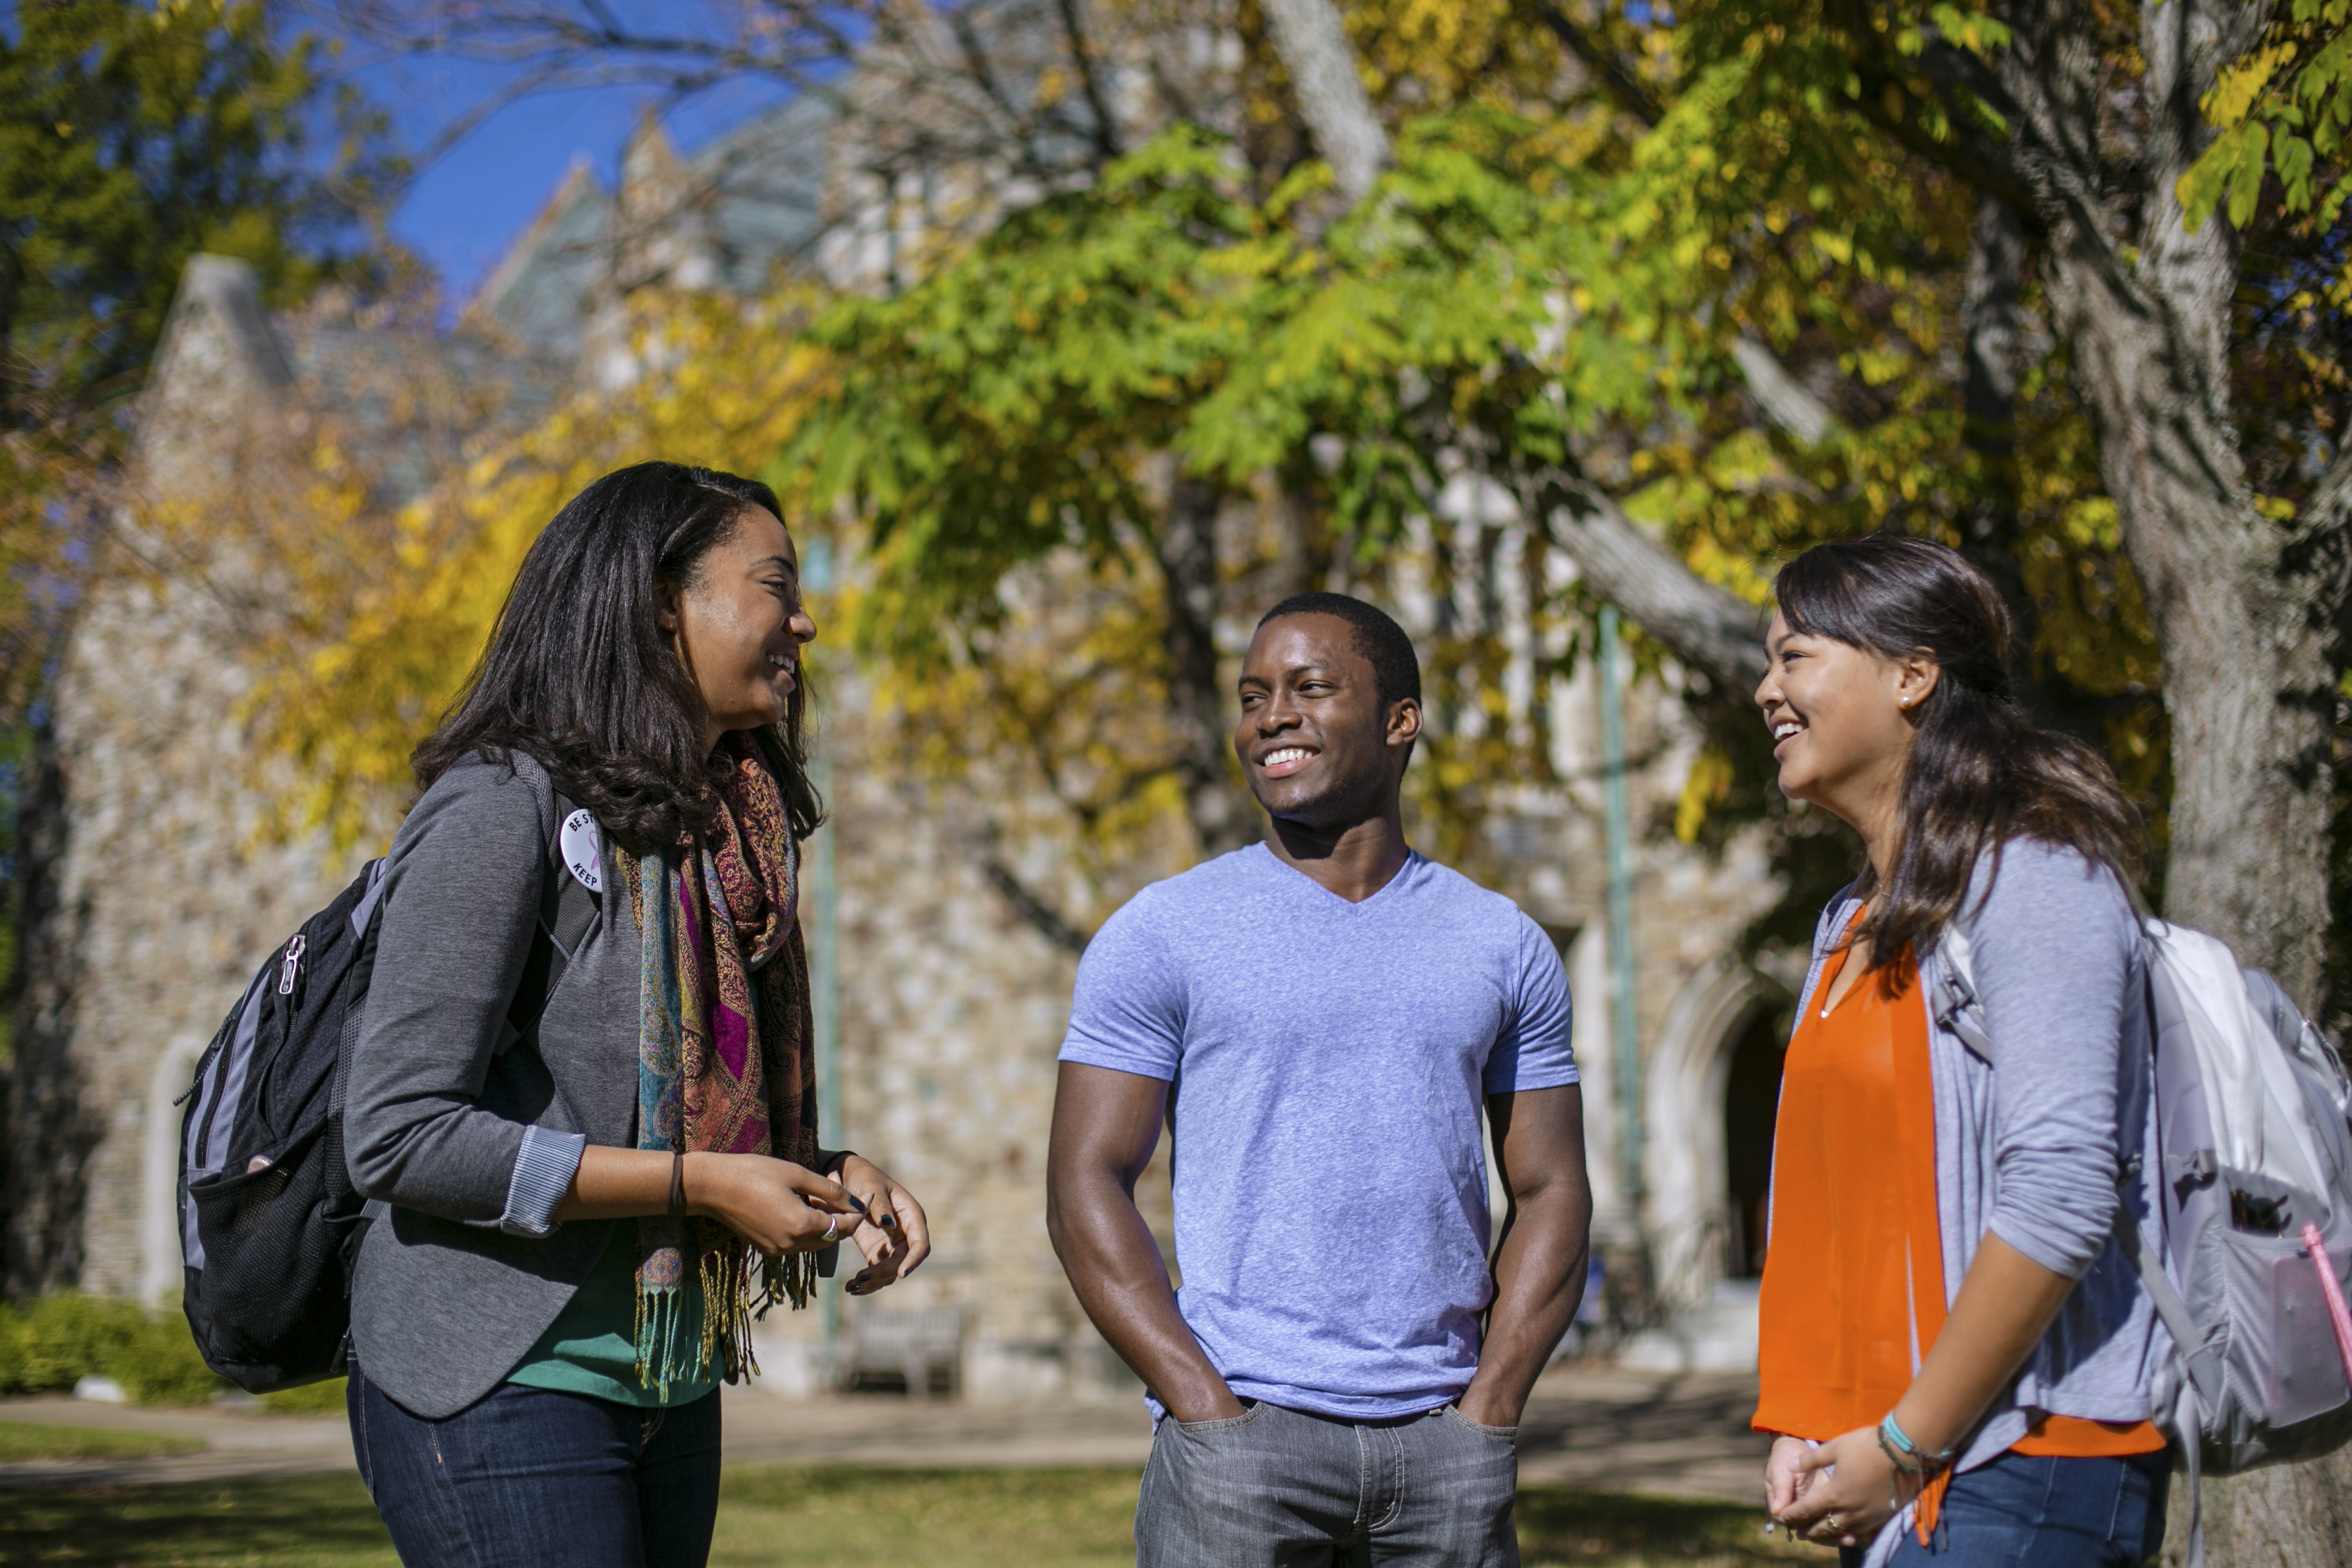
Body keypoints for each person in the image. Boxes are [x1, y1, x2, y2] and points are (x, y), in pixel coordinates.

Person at [340, 461, 931, 1568]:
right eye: (772, 584)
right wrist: (701, 1184)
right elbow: (399, 1134)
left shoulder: (725, 850)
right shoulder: (495, 811)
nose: (803, 618)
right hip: (499, 1379)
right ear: (665, 606)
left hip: (667, 1382)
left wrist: (826, 1165)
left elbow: (689, 1112)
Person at [1047, 592, 1593, 1568]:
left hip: (1445, 1442)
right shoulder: (1163, 930)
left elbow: (1552, 1186)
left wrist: (1492, 1406)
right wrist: (1203, 1405)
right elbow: (1085, 1179)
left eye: (1310, 688)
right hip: (1243, 1446)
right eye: (1254, 696)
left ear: (1400, 721)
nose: (1271, 717)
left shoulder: (1501, 942)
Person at [1750, 536, 2170, 1566]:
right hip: (1902, 1463)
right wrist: (1823, 1426)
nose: (1766, 691)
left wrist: (1905, 1444)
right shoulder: (1850, 918)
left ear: (1912, 675)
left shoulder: (2032, 875)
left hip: (2025, 1466)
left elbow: (2064, 1193)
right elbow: (1854, 1201)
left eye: (1795, 657)